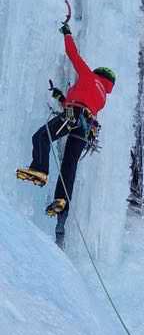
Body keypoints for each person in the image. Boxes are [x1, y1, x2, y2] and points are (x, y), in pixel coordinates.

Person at [17, 17, 115, 216]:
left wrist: (67, 32)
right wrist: (61, 96)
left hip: (74, 115)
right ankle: (61, 200)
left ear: (98, 74)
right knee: (69, 164)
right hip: (86, 127)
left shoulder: (89, 76)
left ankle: (40, 170)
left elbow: (73, 54)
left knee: (41, 136)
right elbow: (79, 102)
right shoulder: (102, 96)